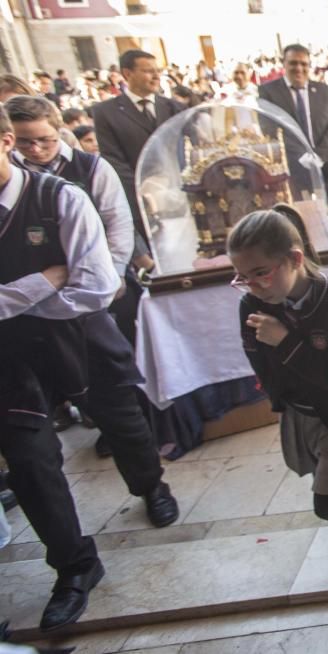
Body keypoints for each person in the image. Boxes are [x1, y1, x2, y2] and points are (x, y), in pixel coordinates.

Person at [0, 104, 177, 632]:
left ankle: (150, 486)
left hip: (78, 330)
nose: (35, 150)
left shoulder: (65, 195)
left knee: (119, 413)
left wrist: (35, 298)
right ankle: (75, 564)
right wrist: (37, 285)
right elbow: (56, 280)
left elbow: (96, 283)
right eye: (27, 142)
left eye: (42, 140)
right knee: (30, 457)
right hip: (11, 353)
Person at [228, 209, 328, 599]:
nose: (252, 286)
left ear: (294, 259)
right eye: (243, 277)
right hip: (301, 413)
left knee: (326, 502)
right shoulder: (253, 305)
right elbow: (259, 361)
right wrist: (280, 396)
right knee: (319, 470)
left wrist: (287, 342)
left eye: (261, 272)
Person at [92, 49, 186, 254]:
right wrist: (143, 190)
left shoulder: (174, 108)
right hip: (141, 203)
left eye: (157, 70)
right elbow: (112, 158)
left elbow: (186, 149)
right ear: (127, 74)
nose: (156, 76)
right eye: (148, 71)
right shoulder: (106, 112)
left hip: (179, 198)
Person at [259, 44, 328, 244]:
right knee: (299, 218)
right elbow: (269, 126)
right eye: (293, 63)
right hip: (292, 168)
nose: (299, 68)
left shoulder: (325, 91)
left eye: (303, 64)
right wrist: (300, 154)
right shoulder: (268, 92)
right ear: (284, 64)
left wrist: (318, 155)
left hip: (327, 167)